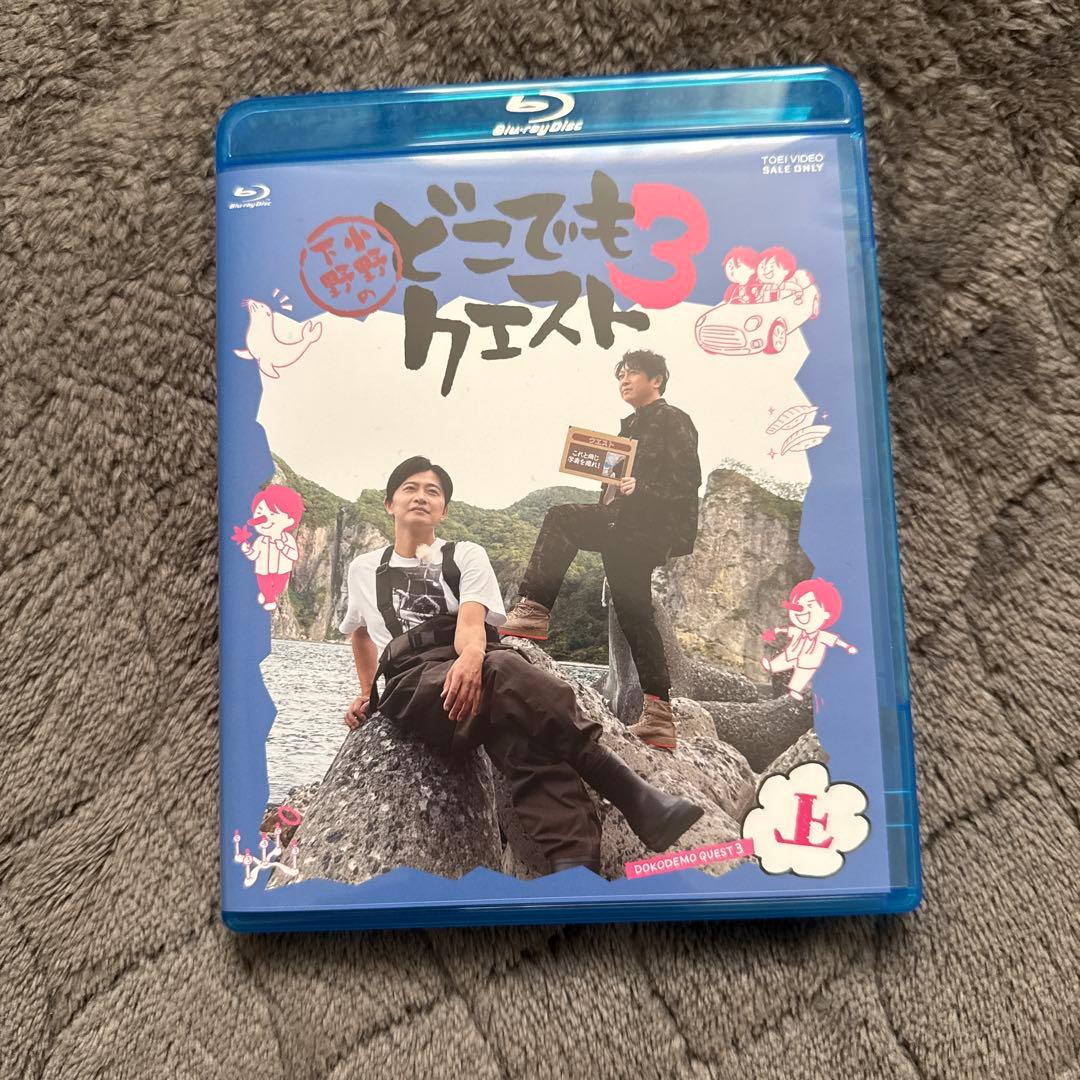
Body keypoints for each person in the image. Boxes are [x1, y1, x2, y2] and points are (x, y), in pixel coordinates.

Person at [339, 456, 704, 876]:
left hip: (470, 660)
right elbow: (359, 633)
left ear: (444, 510)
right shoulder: (364, 569)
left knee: (529, 746)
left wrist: (471, 658)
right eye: (410, 488)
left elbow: (471, 624)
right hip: (415, 680)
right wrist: (367, 693)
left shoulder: (465, 555)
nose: (421, 496)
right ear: (389, 504)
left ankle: (576, 875)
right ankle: (629, 790)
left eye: (432, 491)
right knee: (503, 669)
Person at [500, 350, 702, 752]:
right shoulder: (631, 427)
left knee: (560, 518)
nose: (624, 380)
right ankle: (660, 717)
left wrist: (640, 488)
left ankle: (534, 610)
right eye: (620, 375)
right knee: (635, 616)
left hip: (641, 527)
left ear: (657, 380)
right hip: (624, 527)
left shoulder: (672, 419)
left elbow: (688, 481)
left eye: (632, 373)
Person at [760, 578, 858, 701]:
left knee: (803, 673)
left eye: (810, 605)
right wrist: (776, 631)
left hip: (809, 659)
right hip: (794, 652)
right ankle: (772, 666)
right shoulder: (798, 631)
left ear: (827, 614)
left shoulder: (822, 635)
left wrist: (848, 647)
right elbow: (787, 630)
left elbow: (835, 641)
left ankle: (795, 690)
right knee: (785, 658)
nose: (801, 610)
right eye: (797, 604)